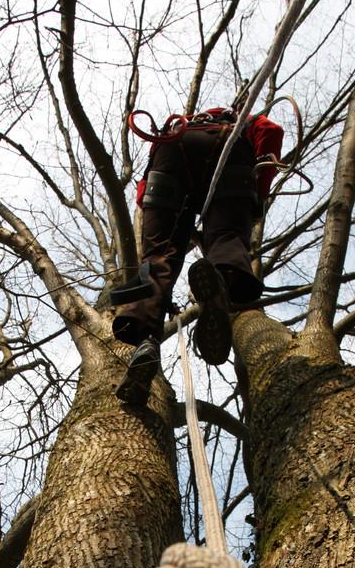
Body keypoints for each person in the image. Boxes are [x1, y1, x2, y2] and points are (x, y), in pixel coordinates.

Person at [112, 105, 284, 405]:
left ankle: (145, 340)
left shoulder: (178, 127)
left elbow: (143, 194)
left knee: (158, 257)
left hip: (172, 151)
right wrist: (256, 195)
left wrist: (171, 220)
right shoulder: (240, 120)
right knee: (227, 240)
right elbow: (271, 133)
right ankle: (222, 285)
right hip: (228, 151)